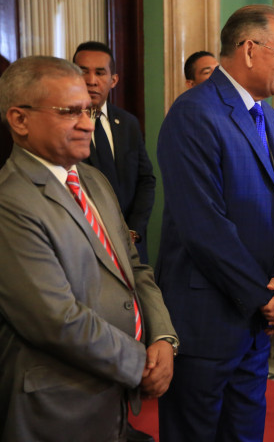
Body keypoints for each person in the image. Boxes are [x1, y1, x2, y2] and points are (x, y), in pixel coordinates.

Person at [0, 56, 177, 441]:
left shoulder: (93, 180)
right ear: (20, 119)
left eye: (89, 111)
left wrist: (163, 338)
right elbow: (55, 320)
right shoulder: (10, 200)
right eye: (69, 112)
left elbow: (135, 269)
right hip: (59, 407)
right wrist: (141, 363)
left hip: (111, 401)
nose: (86, 124)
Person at [155, 4, 274, 441]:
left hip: (255, 325)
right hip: (206, 322)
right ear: (250, 50)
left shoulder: (268, 115)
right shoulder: (193, 113)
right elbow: (204, 227)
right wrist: (263, 296)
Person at [73, 41, 156, 264]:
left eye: (100, 73)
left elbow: (146, 180)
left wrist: (133, 232)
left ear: (114, 80)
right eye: (83, 72)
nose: (91, 80)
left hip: (131, 247)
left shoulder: (128, 123)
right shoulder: (65, 125)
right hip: (85, 248)